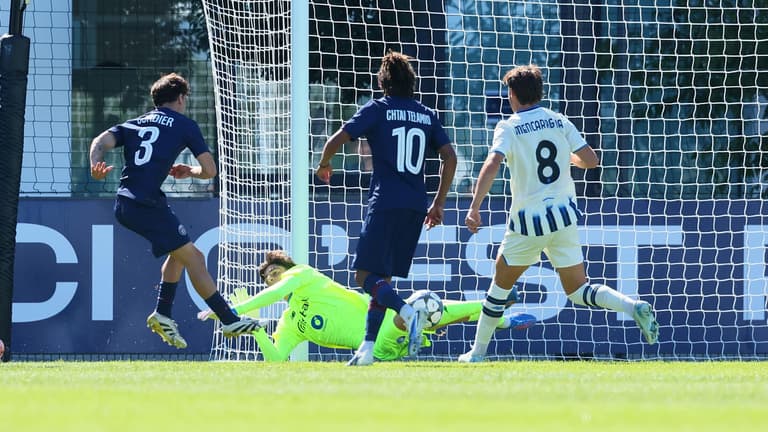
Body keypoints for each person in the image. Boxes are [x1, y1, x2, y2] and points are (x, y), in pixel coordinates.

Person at [458, 64, 659, 363]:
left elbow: (492, 164)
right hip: (564, 217)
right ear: (540, 93)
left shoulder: (508, 126)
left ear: (512, 94)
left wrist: (474, 206)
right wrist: (570, 159)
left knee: (499, 286)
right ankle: (632, 306)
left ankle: (477, 354)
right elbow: (591, 160)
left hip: (529, 223)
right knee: (578, 290)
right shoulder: (558, 120)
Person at [89, 72, 260, 349]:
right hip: (144, 204)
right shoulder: (185, 125)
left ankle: (163, 313)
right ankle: (229, 319)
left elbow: (100, 141)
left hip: (130, 202)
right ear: (181, 98)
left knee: (179, 252)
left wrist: (95, 165)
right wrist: (189, 170)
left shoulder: (136, 123)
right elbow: (210, 171)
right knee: (195, 257)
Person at [316, 51, 458, 366]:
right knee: (382, 281)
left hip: (386, 201)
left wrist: (325, 164)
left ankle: (407, 311)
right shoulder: (426, 114)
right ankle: (367, 349)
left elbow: (337, 138)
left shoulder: (378, 109)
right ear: (412, 83)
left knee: (363, 276)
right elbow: (450, 156)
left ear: (383, 84)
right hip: (416, 205)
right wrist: (439, 202)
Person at [197, 250, 536, 362]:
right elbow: (275, 358)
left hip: (388, 325)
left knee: (424, 306)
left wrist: (231, 311)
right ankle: (490, 311)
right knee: (421, 309)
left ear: (289, 269)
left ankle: (500, 314)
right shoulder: (290, 322)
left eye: (276, 272)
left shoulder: (305, 276)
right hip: (379, 350)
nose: (273, 279)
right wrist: (254, 326)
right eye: (268, 278)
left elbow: (275, 292)